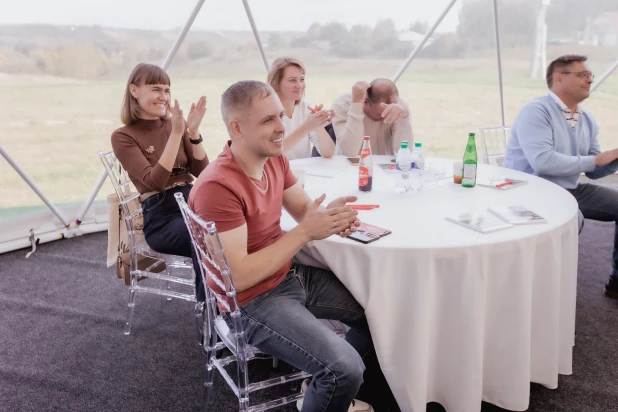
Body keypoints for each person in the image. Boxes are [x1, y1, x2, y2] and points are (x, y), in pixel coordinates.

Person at [189, 80, 376, 411]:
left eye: (280, 116)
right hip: (251, 302)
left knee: (378, 314)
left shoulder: (273, 159)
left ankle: (320, 390)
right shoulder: (217, 187)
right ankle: (331, 381)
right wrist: (305, 233)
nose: (281, 128)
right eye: (268, 121)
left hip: (287, 275)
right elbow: (239, 277)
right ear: (237, 127)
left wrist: (329, 215)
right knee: (345, 368)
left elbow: (303, 209)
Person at [503, 54, 618, 299]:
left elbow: (593, 171)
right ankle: (550, 294)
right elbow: (543, 162)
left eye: (590, 75)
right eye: (583, 75)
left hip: (570, 189)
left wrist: (612, 160)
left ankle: (616, 281)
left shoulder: (586, 119)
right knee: (571, 218)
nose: (590, 80)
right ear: (558, 78)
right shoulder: (536, 111)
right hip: (529, 190)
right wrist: (597, 159)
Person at [111, 63, 209, 298]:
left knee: (235, 229)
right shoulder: (124, 136)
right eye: (156, 89)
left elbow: (203, 173)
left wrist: (193, 134)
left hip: (194, 200)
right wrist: (177, 134)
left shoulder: (175, 124)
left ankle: (239, 306)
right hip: (162, 216)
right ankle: (213, 316)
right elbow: (154, 182)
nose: (163, 97)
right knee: (206, 239)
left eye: (167, 90)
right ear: (134, 90)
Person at [266, 57, 336, 160]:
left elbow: (328, 153)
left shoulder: (305, 108)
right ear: (276, 83)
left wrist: (318, 125)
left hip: (302, 174)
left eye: (302, 79)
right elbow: (273, 153)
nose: (299, 85)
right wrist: (308, 126)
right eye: (292, 80)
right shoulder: (266, 112)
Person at [331, 78, 413, 156]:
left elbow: (406, 150)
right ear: (365, 102)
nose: (387, 117)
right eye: (381, 113)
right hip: (349, 166)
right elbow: (350, 152)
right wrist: (356, 106)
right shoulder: (342, 104)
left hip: (383, 166)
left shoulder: (400, 106)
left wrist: (403, 119)